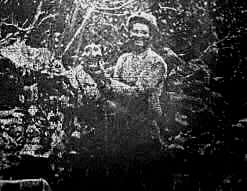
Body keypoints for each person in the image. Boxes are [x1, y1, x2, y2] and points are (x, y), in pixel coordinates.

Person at [93, 12, 168, 156]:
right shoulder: (123, 59)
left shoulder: (156, 63)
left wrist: (106, 81)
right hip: (120, 124)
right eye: (135, 31)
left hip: (145, 127)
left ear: (151, 36)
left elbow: (138, 93)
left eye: (144, 32)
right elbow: (112, 90)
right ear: (129, 33)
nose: (139, 35)